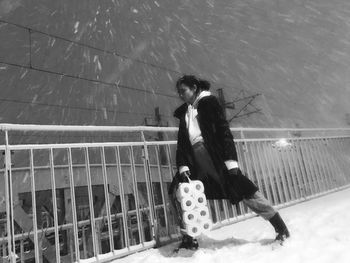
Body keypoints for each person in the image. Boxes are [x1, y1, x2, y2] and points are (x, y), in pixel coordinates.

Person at [168, 75, 290, 251]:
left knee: (244, 190)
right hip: (194, 160)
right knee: (176, 191)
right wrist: (183, 165)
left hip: (214, 155)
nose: (180, 95)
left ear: (194, 88)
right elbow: (182, 143)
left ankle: (281, 228)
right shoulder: (184, 113)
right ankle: (189, 238)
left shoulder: (209, 103)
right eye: (179, 92)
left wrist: (231, 160)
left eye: (183, 91)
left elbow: (223, 131)